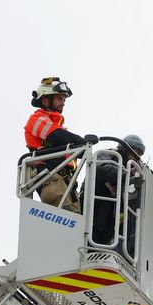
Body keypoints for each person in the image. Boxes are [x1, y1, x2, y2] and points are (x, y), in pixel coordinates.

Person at [24, 76, 93, 213]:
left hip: (65, 183)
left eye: (64, 99)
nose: (63, 103)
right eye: (60, 99)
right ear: (45, 100)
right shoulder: (37, 119)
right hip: (52, 180)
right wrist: (83, 141)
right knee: (69, 228)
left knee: (77, 227)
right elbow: (56, 136)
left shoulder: (58, 127)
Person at [90, 135, 146, 252]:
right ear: (127, 148)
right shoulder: (108, 154)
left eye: (140, 154)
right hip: (94, 205)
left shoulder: (128, 166)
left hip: (110, 216)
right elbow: (102, 169)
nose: (138, 157)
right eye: (137, 152)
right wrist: (128, 173)